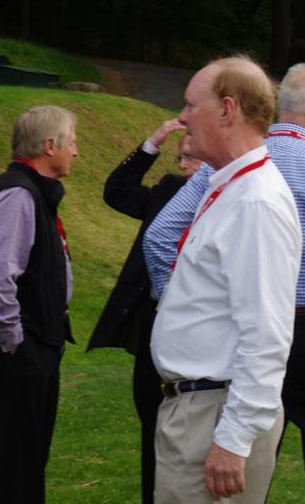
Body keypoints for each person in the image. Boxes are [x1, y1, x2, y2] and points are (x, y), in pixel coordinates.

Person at [144, 63, 305, 503]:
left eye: (189, 104)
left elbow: (160, 237)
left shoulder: (235, 174)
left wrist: (191, 308)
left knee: (243, 466)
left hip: (248, 350)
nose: (183, 116)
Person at [149, 56, 303, 503]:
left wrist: (233, 440)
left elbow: (267, 334)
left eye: (190, 104)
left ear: (226, 110)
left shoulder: (255, 202)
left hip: (215, 413)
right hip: (203, 409)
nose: (181, 117)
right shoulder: (232, 188)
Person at [87, 119, 202, 504]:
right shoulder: (169, 190)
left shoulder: (228, 200)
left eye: (192, 158)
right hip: (156, 322)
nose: (183, 164)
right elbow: (116, 192)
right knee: (151, 416)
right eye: (180, 157)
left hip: (199, 328)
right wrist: (155, 140)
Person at [0, 106, 78, 504]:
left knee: (29, 456)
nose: (77, 152)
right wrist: (15, 341)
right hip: (23, 352)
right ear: (49, 145)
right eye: (72, 142)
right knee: (16, 462)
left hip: (37, 347)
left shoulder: (33, 192)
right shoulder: (19, 194)